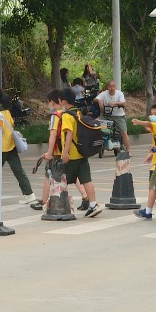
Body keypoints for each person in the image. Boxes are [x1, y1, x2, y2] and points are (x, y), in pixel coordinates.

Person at [31, 89, 88, 211]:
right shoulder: (64, 113)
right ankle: (85, 196)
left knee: (49, 175)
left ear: (52, 102)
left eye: (48, 102)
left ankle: (45, 201)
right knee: (73, 175)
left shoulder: (55, 116)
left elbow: (53, 134)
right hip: (66, 151)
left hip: (58, 152)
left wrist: (49, 152)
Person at [0, 87, 36, 204]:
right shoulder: (6, 111)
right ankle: (29, 194)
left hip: (1, 147)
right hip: (10, 145)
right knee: (18, 171)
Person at [59, 88, 102, 217]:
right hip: (82, 153)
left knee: (61, 180)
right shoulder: (77, 113)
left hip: (72, 155)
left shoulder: (66, 116)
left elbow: (69, 134)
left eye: (60, 101)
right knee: (86, 180)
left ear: (63, 101)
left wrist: (65, 152)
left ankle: (61, 206)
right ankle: (93, 205)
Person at [94, 80, 131, 153]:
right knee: (95, 123)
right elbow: (95, 99)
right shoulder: (104, 94)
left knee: (124, 132)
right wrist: (99, 101)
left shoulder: (119, 94)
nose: (111, 88)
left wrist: (115, 103)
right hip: (106, 115)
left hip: (118, 115)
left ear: (115, 87)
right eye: (110, 86)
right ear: (108, 87)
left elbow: (123, 103)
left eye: (113, 86)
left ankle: (128, 150)